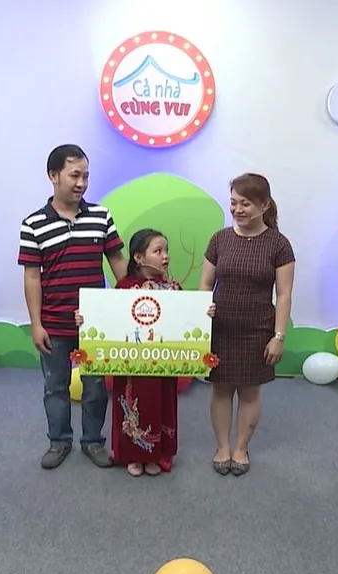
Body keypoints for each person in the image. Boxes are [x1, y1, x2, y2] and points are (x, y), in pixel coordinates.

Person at [18, 144, 128, 469]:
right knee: (55, 387)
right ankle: (59, 442)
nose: (81, 183)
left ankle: (93, 441)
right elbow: (32, 277)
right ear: (53, 176)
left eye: (86, 176)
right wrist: (36, 324)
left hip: (95, 323)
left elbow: (118, 261)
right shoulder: (33, 224)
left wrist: (135, 297)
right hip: (53, 323)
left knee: (96, 388)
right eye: (74, 175)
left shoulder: (101, 216)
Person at [76, 229, 200, 476]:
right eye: (158, 251)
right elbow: (108, 318)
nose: (165, 256)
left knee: (160, 404)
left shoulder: (173, 288)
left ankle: (156, 455)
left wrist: (203, 313)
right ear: (139, 258)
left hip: (162, 365)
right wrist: (86, 318)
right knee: (131, 405)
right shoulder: (124, 288)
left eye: (166, 251)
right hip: (130, 366)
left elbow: (184, 319)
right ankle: (132, 455)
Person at [199, 173, 296, 476]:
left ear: (264, 205)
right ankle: (222, 447)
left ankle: (241, 448)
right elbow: (205, 284)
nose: (237, 209)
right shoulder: (220, 239)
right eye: (233, 203)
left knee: (250, 392)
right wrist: (201, 313)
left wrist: (278, 336)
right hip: (220, 328)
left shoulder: (279, 245)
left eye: (245, 204)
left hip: (257, 330)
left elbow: (284, 294)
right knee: (221, 389)